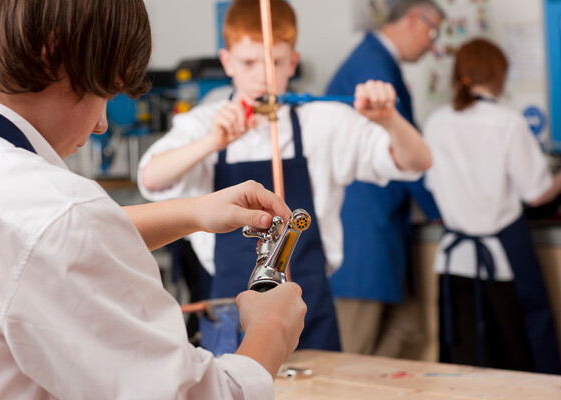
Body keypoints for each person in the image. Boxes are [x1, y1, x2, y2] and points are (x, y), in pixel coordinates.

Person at [0, 1, 308, 398]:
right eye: (105, 92)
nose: (101, 124)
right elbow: (190, 394)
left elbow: (29, 244)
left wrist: (193, 212)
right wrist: (270, 331)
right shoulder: (57, 216)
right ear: (53, 54)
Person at [138, 0, 433, 353]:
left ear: (293, 62)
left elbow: (417, 161)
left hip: (308, 311)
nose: (262, 76)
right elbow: (151, 178)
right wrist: (211, 142)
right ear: (227, 62)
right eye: (248, 62)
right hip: (231, 314)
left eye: (275, 62)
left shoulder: (323, 122)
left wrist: (390, 119)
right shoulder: (204, 123)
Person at [424, 38, 561, 374]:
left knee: (466, 350)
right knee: (518, 345)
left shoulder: (436, 122)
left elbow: (431, 184)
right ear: (499, 74)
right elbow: (537, 193)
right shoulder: (507, 122)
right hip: (504, 252)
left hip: (455, 257)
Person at [325, 0, 444, 357]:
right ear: (413, 19)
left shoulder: (377, 61)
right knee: (356, 349)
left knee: (407, 331)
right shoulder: (372, 66)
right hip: (363, 229)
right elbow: (403, 153)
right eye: (432, 33)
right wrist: (441, 211)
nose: (433, 46)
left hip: (381, 225)